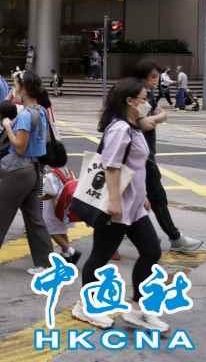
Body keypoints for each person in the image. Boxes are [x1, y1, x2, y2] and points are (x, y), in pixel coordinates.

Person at [70, 78, 167, 331]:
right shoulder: (120, 129)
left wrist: (142, 196)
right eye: (144, 99)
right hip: (117, 209)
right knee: (100, 258)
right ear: (130, 101)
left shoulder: (133, 127)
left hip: (134, 207)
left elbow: (135, 166)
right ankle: (85, 306)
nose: (147, 103)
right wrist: (114, 202)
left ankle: (137, 309)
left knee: (151, 251)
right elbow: (111, 167)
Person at [0, 71, 53, 275]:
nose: (13, 89)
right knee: (34, 218)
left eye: (15, 85)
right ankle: (46, 264)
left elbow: (20, 146)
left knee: (0, 215)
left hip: (18, 170)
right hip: (34, 168)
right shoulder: (40, 111)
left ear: (24, 89)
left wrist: (7, 126)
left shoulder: (25, 115)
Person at [133, 60, 202, 252]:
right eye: (153, 77)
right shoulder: (136, 94)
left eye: (157, 76)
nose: (156, 80)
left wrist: (155, 117)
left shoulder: (148, 93)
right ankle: (175, 238)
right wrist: (159, 117)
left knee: (137, 197)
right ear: (142, 77)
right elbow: (143, 123)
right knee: (157, 196)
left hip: (145, 152)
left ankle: (128, 233)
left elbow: (152, 117)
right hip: (140, 156)